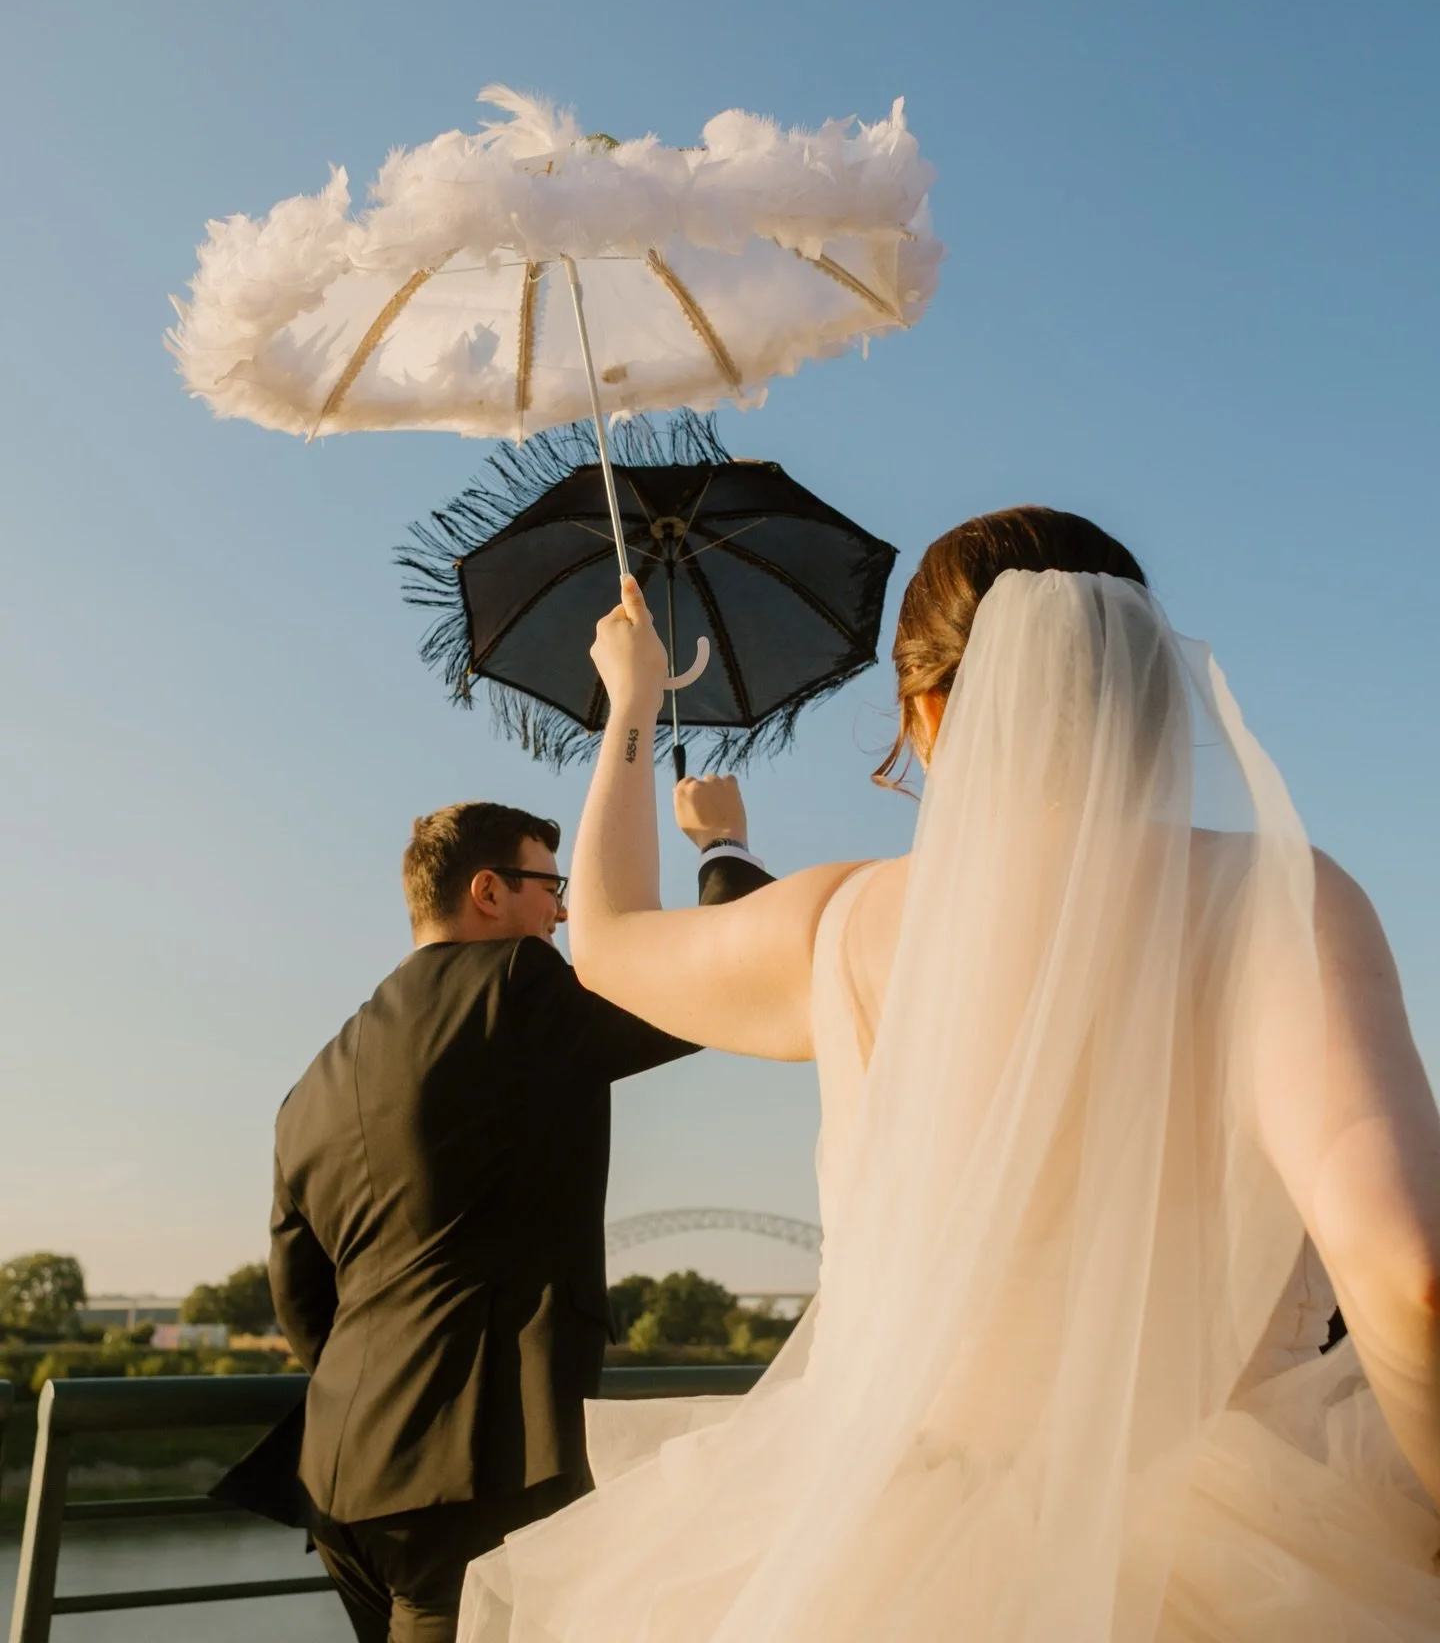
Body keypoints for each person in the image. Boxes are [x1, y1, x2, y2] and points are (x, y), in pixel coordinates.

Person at [460, 507, 1440, 1642]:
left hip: (888, 1557)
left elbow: (613, 940)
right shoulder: (1286, 906)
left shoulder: (842, 924)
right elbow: (1411, 1272)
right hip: (1239, 1562)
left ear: (924, 712)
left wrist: (632, 702)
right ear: (1154, 692)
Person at [216, 783, 771, 1643]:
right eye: (552, 889)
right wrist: (721, 846)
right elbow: (718, 982)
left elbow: (302, 1303)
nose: (562, 913)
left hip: (340, 1485)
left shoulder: (312, 1085)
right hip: (470, 1482)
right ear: (487, 892)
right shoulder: (514, 985)